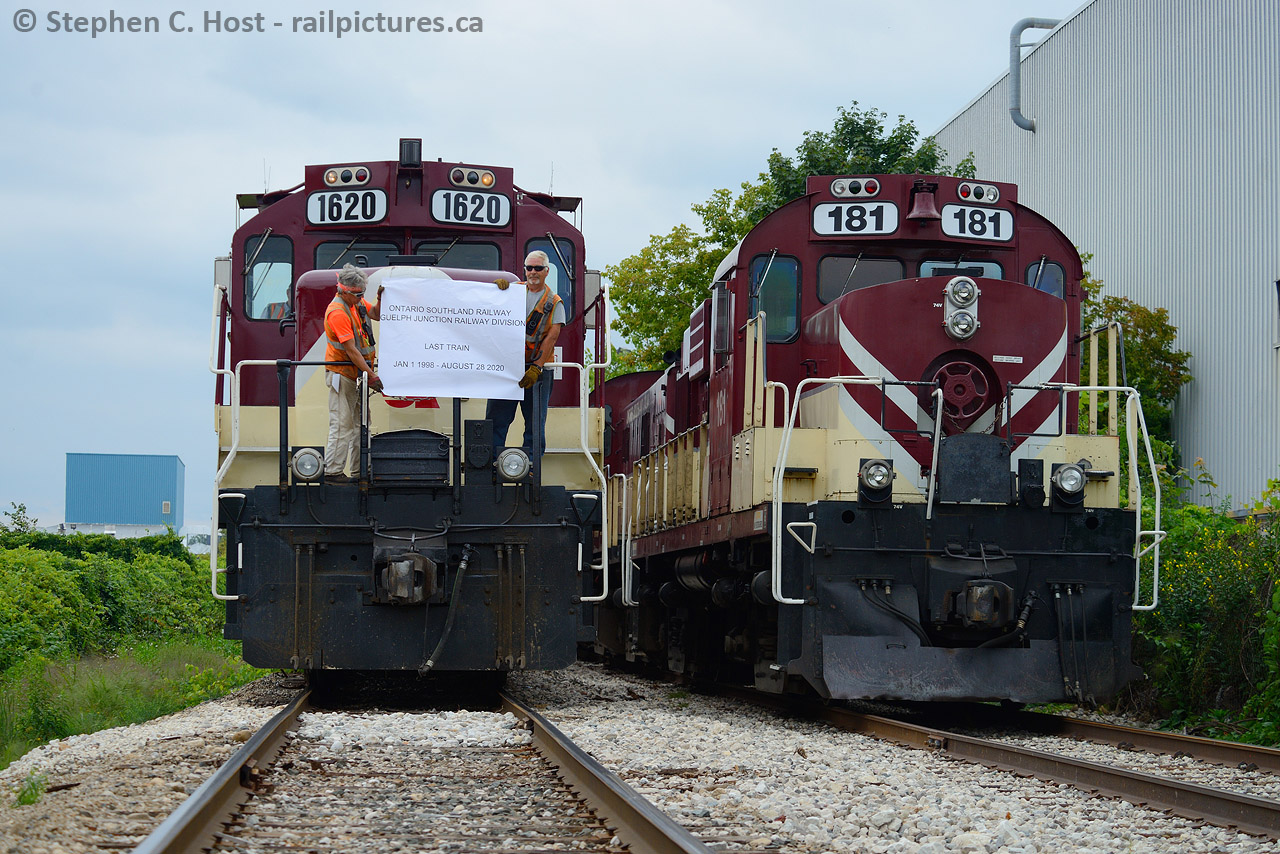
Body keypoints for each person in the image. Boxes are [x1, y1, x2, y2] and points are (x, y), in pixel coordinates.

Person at [487, 250, 565, 458]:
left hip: (536, 370)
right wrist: (495, 290)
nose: (532, 272)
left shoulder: (554, 302)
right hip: (508, 367)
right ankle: (492, 464)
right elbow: (486, 307)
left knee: (534, 422)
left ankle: (530, 466)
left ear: (547, 271)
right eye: (529, 268)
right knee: (496, 419)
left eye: (538, 268)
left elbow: (552, 337)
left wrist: (536, 368)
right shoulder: (512, 291)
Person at [323, 264, 383, 482]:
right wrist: (372, 375)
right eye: (358, 294)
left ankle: (359, 472)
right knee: (342, 423)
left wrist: (380, 299)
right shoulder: (337, 312)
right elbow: (351, 350)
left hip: (356, 376)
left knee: (359, 425)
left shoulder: (355, 303)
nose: (361, 298)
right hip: (343, 374)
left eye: (363, 294)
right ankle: (332, 471)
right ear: (345, 291)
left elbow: (375, 313)